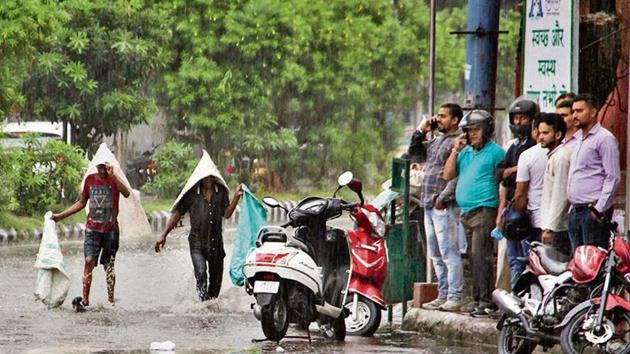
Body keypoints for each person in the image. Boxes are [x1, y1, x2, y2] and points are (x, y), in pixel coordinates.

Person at [444, 110, 505, 316]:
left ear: (486, 130)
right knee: (472, 256)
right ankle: (478, 297)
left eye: (476, 130)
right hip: (466, 212)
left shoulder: (495, 152)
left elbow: (504, 176)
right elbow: (448, 174)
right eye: (469, 131)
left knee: (481, 256)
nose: (472, 134)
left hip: (484, 209)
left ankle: (486, 300)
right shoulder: (466, 152)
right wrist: (455, 150)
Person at [52, 162, 130, 307]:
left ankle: (111, 300)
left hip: (111, 231)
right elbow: (82, 202)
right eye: (99, 167)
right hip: (92, 230)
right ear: (96, 167)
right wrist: (61, 216)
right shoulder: (90, 180)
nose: (102, 171)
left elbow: (126, 193)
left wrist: (113, 176)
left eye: (105, 168)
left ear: (109, 168)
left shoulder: (114, 179)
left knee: (109, 265)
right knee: (89, 261)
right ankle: (85, 299)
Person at [155, 176, 243, 301]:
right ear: (200, 178)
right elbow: (178, 213)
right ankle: (202, 306)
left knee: (215, 288)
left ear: (214, 178)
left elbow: (227, 214)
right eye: (204, 177)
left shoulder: (221, 192)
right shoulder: (192, 193)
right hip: (197, 244)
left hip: (216, 245)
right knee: (201, 273)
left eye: (210, 177)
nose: (207, 180)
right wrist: (163, 235)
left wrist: (236, 197)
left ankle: (210, 309)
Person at [413, 103, 463, 312]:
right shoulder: (435, 142)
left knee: (448, 252)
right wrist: (422, 130)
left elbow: (456, 173)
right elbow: (414, 152)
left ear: (455, 120)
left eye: (443, 116)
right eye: (438, 116)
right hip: (428, 203)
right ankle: (442, 293)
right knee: (435, 253)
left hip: (442, 203)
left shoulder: (458, 143)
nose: (438, 119)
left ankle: (454, 295)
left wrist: (443, 197)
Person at [567, 93, 621, 251]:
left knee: (593, 262)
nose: (575, 115)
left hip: (592, 212)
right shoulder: (577, 140)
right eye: (573, 111)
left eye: (579, 111)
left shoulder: (604, 139)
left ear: (593, 112)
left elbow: (613, 177)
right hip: (576, 211)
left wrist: (599, 209)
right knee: (578, 264)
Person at [495, 98, 539, 286]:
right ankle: (515, 299)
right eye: (516, 118)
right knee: (514, 260)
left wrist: (514, 170)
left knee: (529, 258)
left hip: (528, 209)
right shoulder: (513, 146)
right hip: (512, 209)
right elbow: (499, 174)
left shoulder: (534, 147)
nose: (519, 123)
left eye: (523, 118)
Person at [537, 113, 572, 256]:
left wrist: (550, 229)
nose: (540, 137)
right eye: (539, 133)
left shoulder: (562, 157)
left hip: (558, 229)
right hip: (552, 226)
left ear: (557, 134)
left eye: (545, 133)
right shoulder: (554, 155)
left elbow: (560, 195)